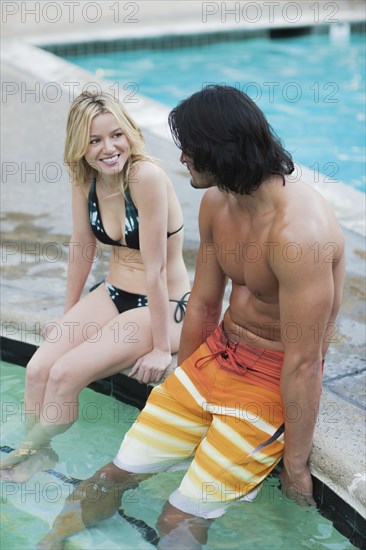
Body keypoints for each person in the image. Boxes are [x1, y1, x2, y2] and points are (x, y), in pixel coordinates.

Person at [36, 85, 345, 550]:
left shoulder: (300, 234)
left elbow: (304, 361)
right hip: (215, 357)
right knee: (111, 476)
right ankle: (48, 544)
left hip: (270, 376)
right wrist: (183, 385)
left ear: (221, 151)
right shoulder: (218, 203)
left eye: (190, 148)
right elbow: (201, 305)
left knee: (177, 515)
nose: (181, 157)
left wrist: (297, 465)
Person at [0, 90, 190, 482]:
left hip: (163, 306)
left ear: (129, 134)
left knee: (65, 374)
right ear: (80, 146)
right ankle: (39, 454)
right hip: (114, 293)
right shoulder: (84, 179)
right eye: (95, 140)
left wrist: (159, 346)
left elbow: (154, 268)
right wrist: (68, 314)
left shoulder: (146, 176)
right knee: (38, 369)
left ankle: (20, 454)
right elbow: (82, 247)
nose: (109, 148)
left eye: (116, 135)